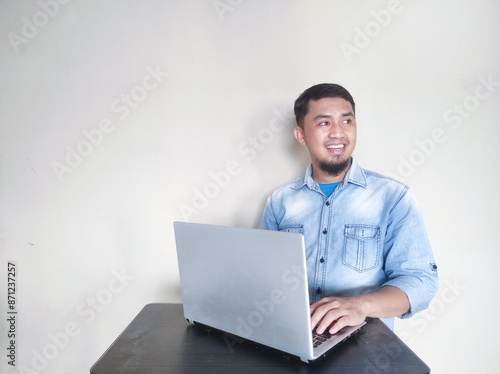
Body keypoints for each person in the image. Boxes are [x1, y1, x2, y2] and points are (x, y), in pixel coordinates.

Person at [258, 83, 439, 335]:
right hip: (292, 337)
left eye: (346, 121)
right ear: (301, 136)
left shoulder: (394, 197)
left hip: (365, 348)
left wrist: (359, 305)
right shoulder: (279, 202)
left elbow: (420, 282)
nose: (338, 133)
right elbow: (261, 278)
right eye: (324, 123)